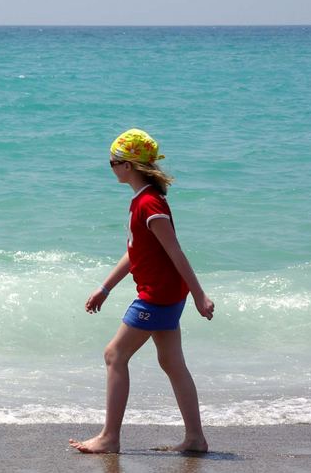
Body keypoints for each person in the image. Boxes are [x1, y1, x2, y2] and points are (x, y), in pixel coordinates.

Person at [69, 129, 213, 454]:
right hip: (167, 295)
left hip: (157, 296)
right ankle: (195, 438)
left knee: (114, 355)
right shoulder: (143, 201)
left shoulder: (149, 204)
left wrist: (200, 294)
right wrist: (105, 287)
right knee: (172, 363)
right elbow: (137, 253)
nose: (111, 168)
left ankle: (109, 438)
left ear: (129, 166)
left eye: (113, 162)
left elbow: (176, 251)